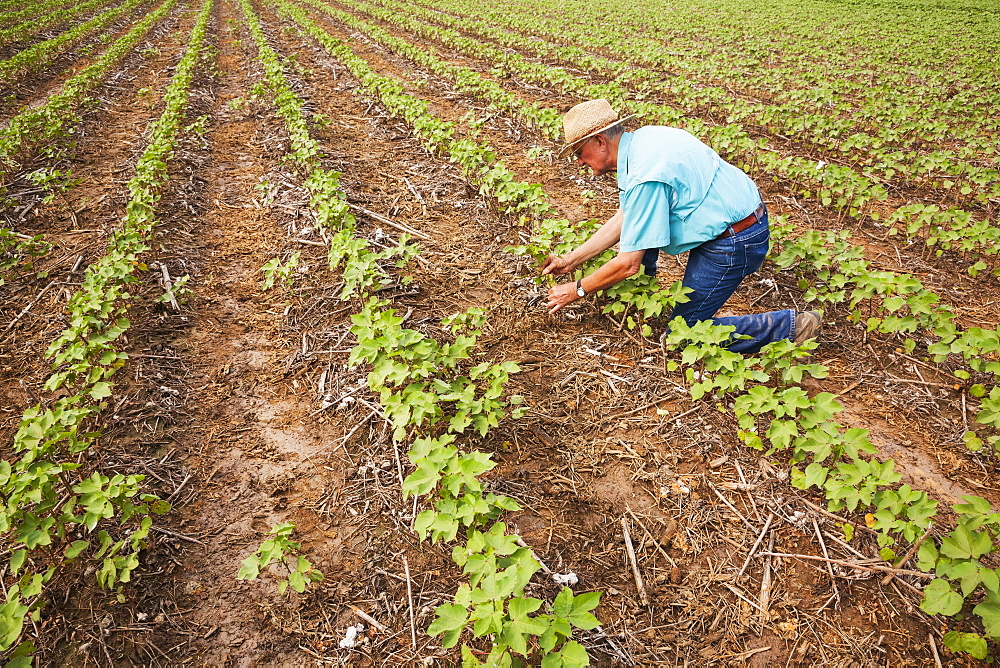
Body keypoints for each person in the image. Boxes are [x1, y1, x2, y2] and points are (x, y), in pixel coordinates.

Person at [541, 99, 820, 354]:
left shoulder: (644, 174)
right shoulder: (645, 140)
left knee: (682, 337)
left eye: (579, 152)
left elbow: (628, 264)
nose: (578, 161)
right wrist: (570, 260)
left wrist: (576, 289)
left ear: (601, 142)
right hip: (735, 219)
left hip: (736, 239)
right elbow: (625, 218)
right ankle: (645, 303)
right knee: (640, 235)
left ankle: (790, 326)